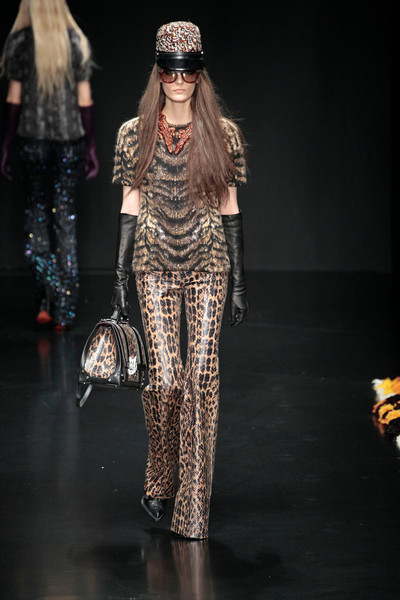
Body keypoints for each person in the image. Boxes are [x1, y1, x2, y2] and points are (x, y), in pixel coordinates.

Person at [111, 21, 248, 539]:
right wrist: (119, 273)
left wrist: (239, 281)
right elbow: (130, 202)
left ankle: (192, 513)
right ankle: (160, 469)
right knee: (166, 380)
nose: (178, 81)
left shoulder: (223, 134)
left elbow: (230, 206)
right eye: (169, 71)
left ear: (200, 73)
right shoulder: (134, 132)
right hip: (152, 266)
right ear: (158, 73)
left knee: (201, 381)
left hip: (210, 264)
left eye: (187, 71)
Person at [0, 0, 99, 331]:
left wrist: (6, 143)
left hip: (34, 141)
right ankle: (63, 306)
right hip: (70, 141)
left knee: (37, 219)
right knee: (63, 220)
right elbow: (84, 99)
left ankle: (53, 295)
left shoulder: (20, 42)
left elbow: (14, 98)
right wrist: (91, 147)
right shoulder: (75, 40)